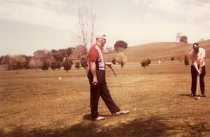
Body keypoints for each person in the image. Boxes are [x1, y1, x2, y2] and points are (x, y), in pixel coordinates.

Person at [87, 34, 129, 121]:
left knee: (105, 93)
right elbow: (92, 63)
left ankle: (115, 111)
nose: (105, 41)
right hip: (96, 73)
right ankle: (94, 115)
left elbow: (99, 62)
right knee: (95, 94)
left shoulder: (99, 49)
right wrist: (94, 77)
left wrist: (107, 63)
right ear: (100, 39)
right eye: (104, 40)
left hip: (100, 73)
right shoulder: (94, 49)